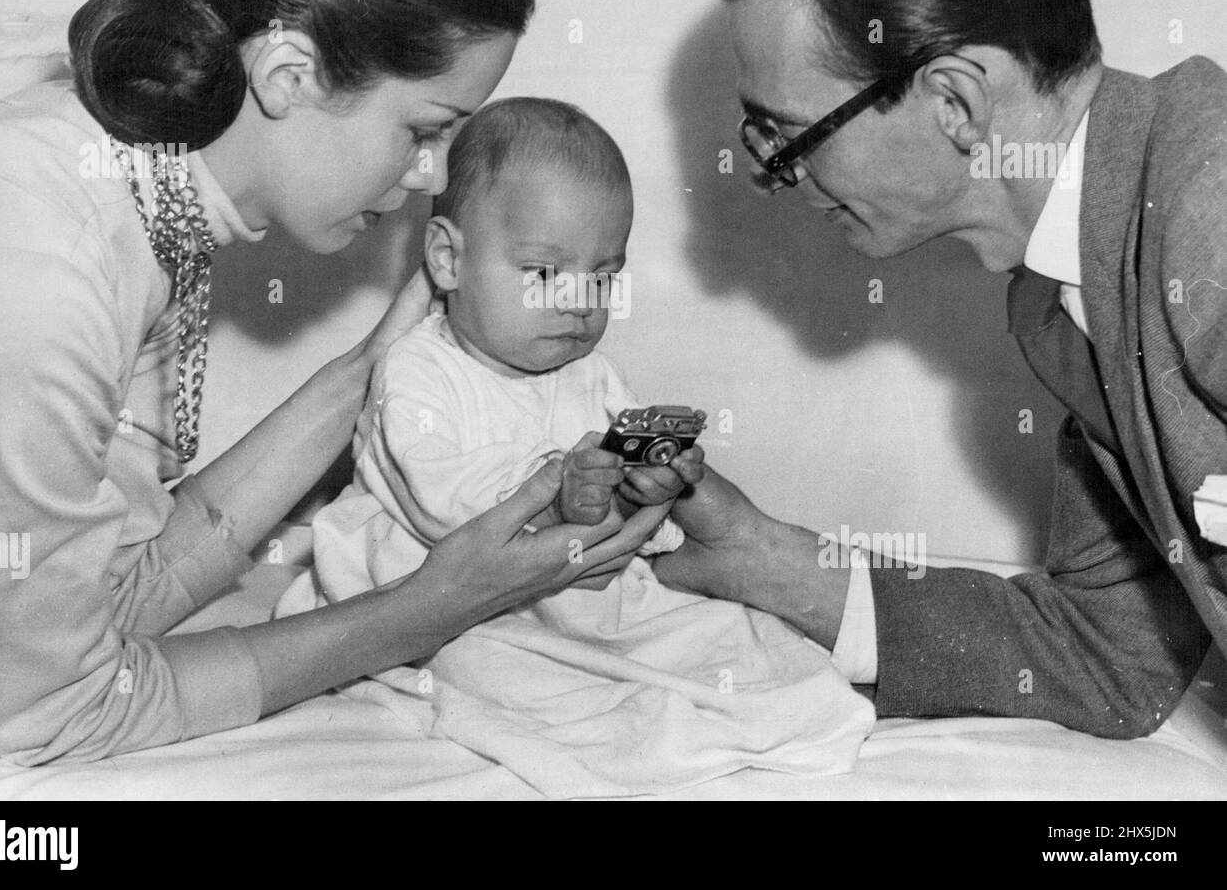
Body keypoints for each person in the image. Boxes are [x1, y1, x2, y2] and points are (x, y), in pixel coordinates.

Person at [0, 0, 669, 767]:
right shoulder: (44, 272)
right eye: (424, 129)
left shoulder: (132, 183)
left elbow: (118, 591)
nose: (431, 178)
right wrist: (417, 613)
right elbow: (58, 713)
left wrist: (375, 365)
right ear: (288, 71)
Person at [654, 0, 1224, 738]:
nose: (779, 180)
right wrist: (768, 559)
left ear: (956, 100)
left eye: (786, 137)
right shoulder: (1061, 294)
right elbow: (1111, 654)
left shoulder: (1211, 217)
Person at [274, 96, 874, 796]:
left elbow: (622, 500)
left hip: (573, 581)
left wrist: (648, 484)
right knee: (501, 669)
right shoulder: (418, 369)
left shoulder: (589, 374)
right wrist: (559, 490)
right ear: (448, 259)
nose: (579, 301)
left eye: (603, 275)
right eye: (543, 273)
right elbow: (443, 495)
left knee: (727, 641)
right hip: (442, 585)